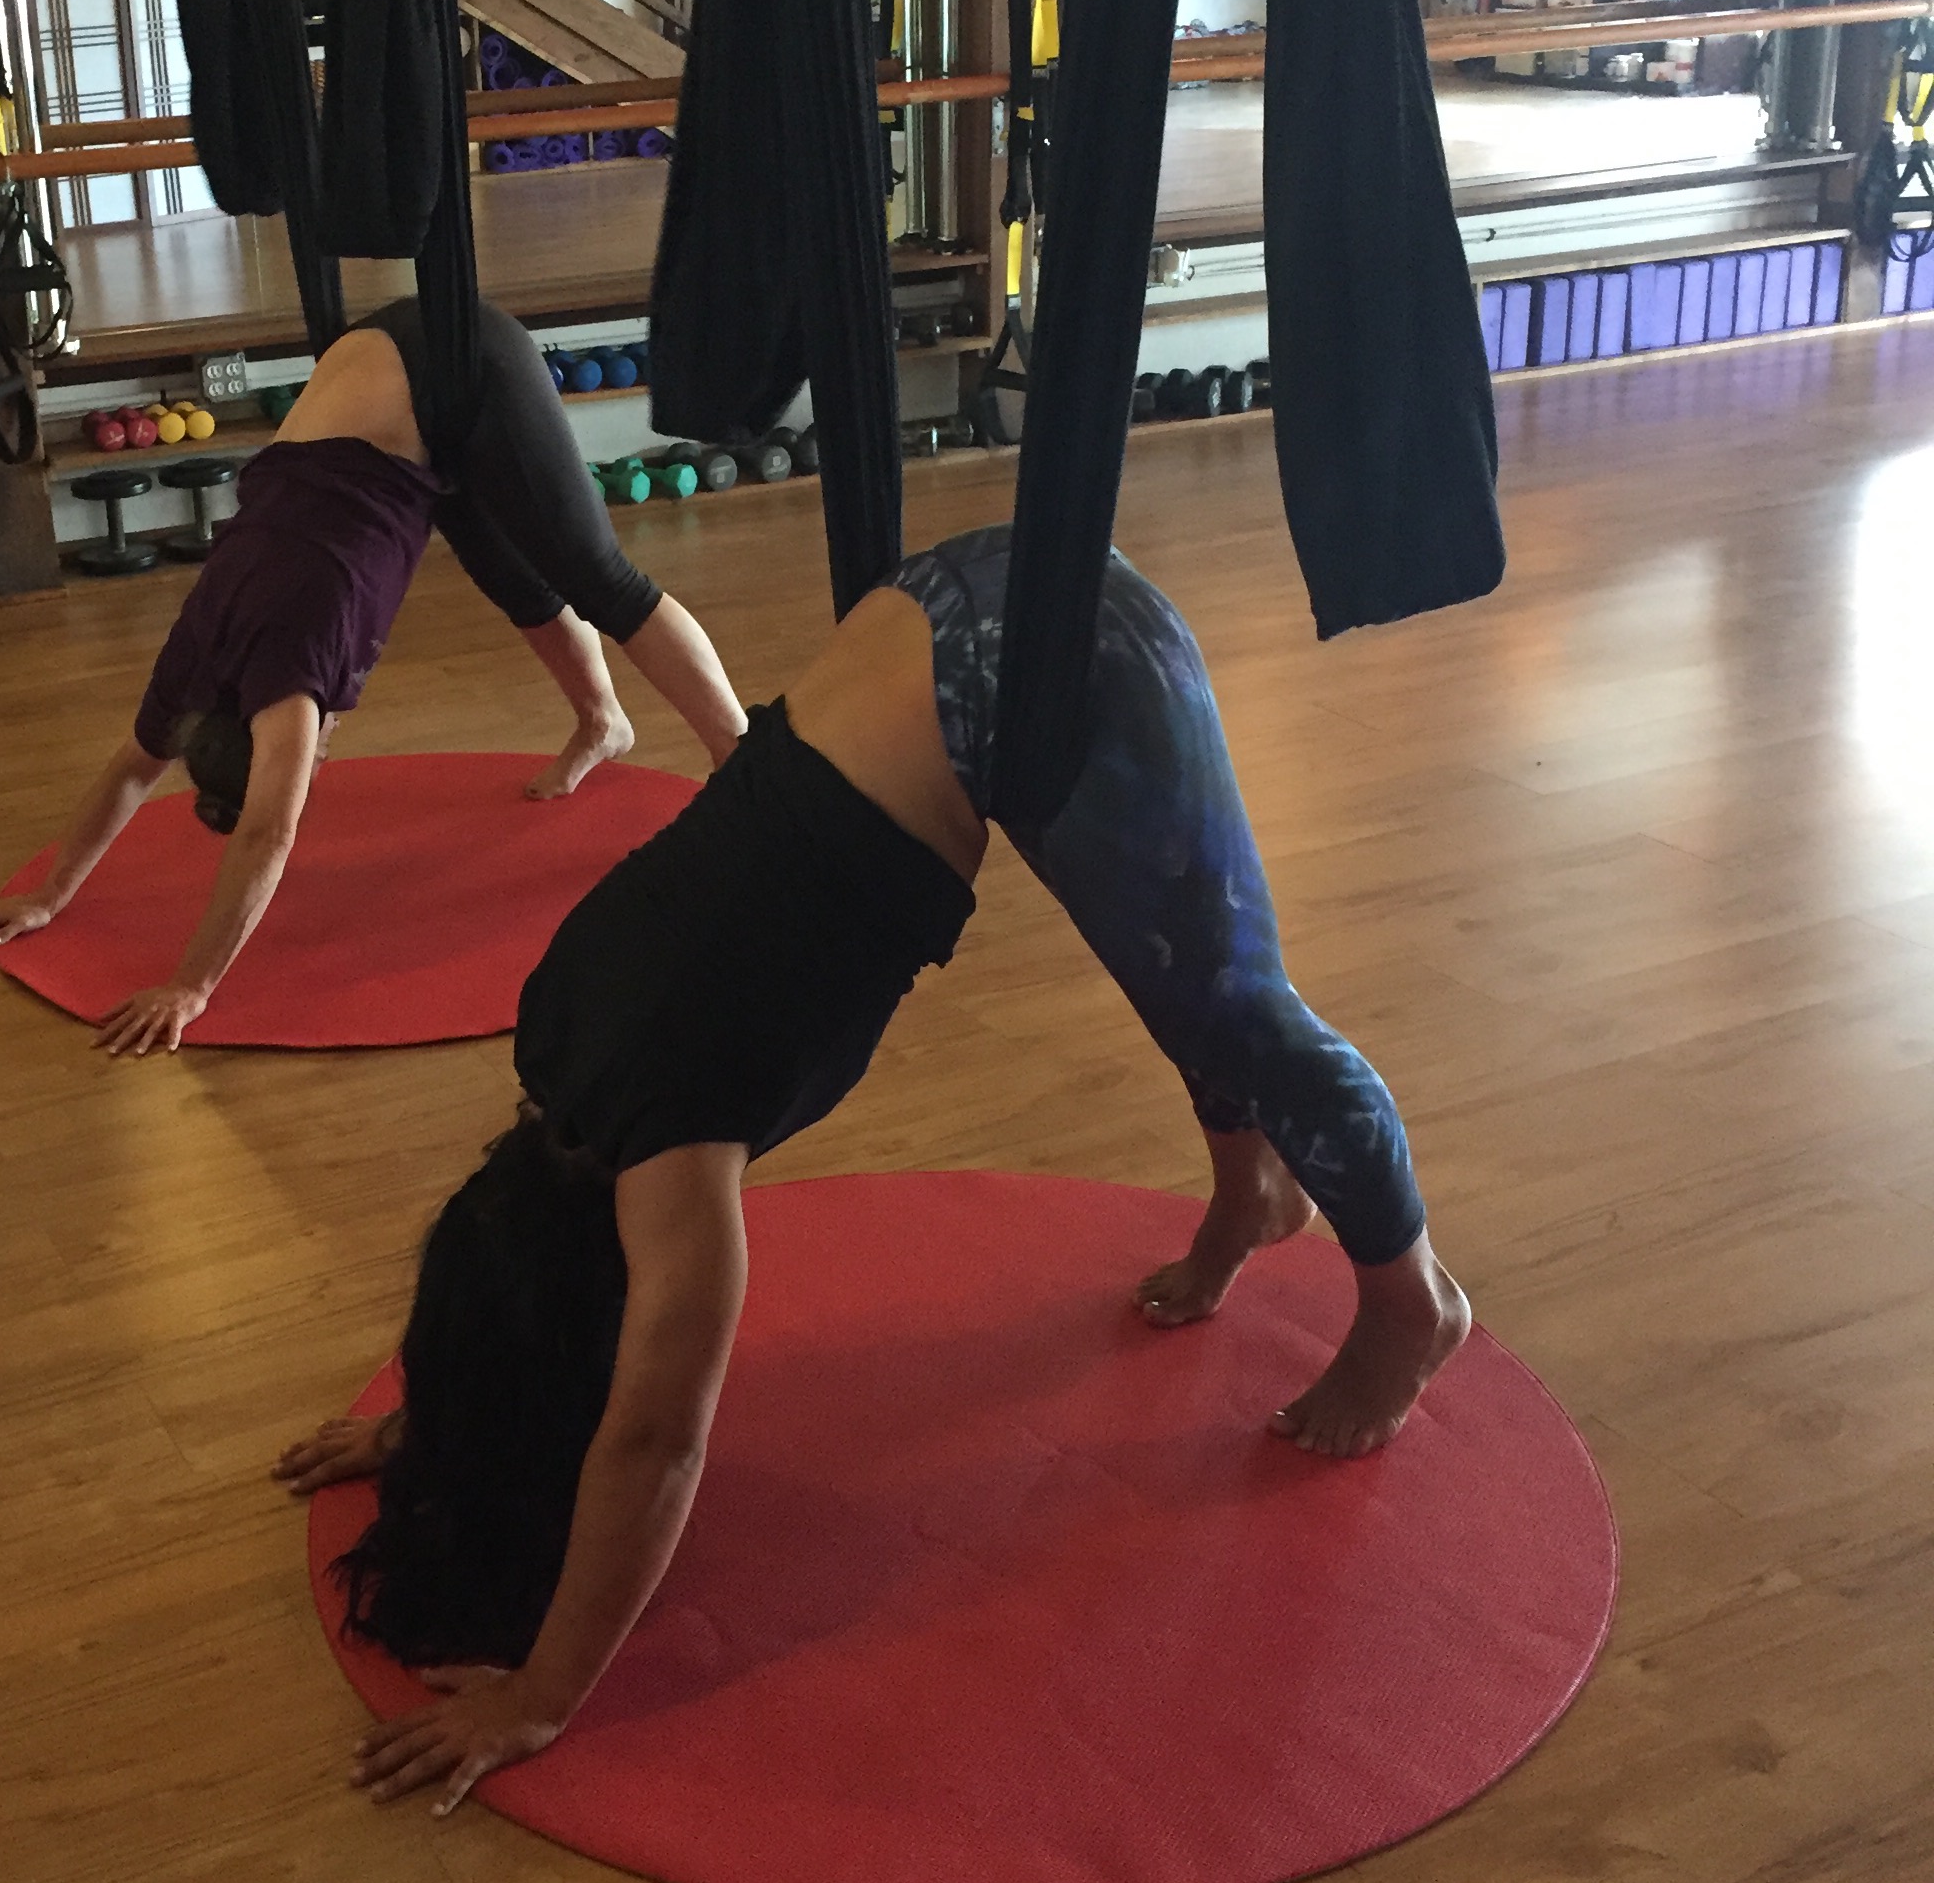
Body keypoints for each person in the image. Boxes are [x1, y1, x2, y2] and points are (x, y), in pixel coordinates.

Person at [274, 521, 1471, 1817]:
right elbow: (502, 1305)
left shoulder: (675, 1163)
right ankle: (1250, 1194)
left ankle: (1414, 1308)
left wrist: (542, 1696)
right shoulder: (557, 1026)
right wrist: (434, 1423)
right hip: (941, 612)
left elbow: (655, 1444)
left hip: (1053, 657)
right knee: (1176, 970)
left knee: (1234, 1001)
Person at [0, 298, 749, 1055]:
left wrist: (193, 986)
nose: (320, 759)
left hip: (455, 361)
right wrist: (49, 896)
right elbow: (130, 769)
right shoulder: (194, 660)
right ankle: (602, 720)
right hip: (379, 390)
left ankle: (742, 760)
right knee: (510, 573)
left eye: (309, 760)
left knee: (598, 577)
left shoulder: (290, 674)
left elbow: (268, 832)